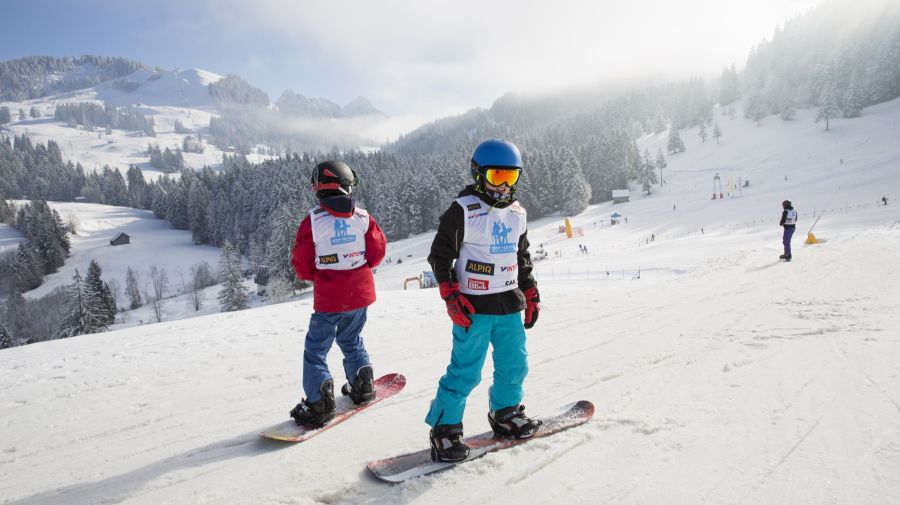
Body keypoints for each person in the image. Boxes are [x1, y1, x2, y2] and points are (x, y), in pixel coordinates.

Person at [425, 139, 541, 462]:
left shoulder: (517, 214)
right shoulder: (462, 211)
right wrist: (450, 295)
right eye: (496, 177)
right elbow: (439, 256)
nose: (503, 187)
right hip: (473, 306)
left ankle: (506, 412)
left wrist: (530, 291)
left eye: (511, 178)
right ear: (479, 175)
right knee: (465, 370)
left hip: (508, 305)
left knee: (514, 363)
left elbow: (522, 257)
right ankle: (444, 430)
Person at [289, 160, 387, 426]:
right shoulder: (363, 217)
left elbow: (301, 263)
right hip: (360, 294)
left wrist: (323, 275)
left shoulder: (313, 221)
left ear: (318, 188)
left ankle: (319, 402)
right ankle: (363, 384)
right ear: (348, 185)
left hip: (330, 297)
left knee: (316, 349)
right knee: (352, 337)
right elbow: (377, 253)